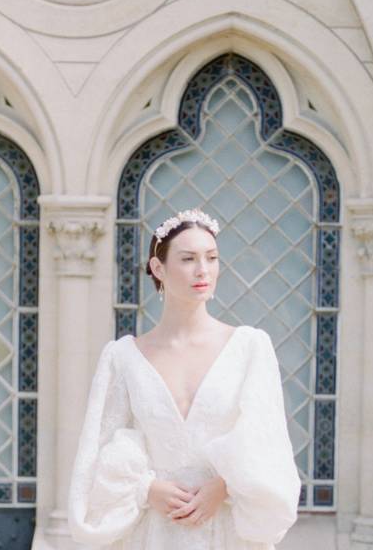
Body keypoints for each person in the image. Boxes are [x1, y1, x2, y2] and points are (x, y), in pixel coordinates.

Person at [66, 208, 301, 548]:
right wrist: (147, 489)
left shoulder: (250, 348)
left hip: (225, 531)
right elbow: (97, 454)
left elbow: (269, 444)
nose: (203, 270)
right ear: (158, 268)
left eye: (212, 257)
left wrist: (223, 487)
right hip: (152, 533)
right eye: (188, 258)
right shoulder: (122, 358)